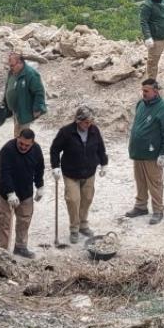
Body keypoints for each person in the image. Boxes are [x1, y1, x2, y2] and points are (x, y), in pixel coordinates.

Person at [49, 104, 109, 244]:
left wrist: (104, 163)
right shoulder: (66, 132)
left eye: (90, 122)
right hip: (71, 173)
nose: (89, 125)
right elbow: (55, 149)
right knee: (73, 200)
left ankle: (83, 224)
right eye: (86, 122)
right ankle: (74, 229)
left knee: (87, 198)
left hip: (89, 172)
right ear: (78, 120)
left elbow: (100, 147)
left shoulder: (94, 130)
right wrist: (55, 166)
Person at [125, 79, 164, 225]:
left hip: (153, 154)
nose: (144, 93)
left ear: (156, 91)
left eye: (146, 91)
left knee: (155, 183)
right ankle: (141, 207)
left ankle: (158, 210)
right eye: (143, 90)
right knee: (140, 181)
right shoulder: (141, 104)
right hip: (138, 152)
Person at [0, 127, 45, 258]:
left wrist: (40, 186)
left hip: (26, 192)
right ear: (17, 138)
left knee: (24, 221)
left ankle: (20, 247)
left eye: (27, 145)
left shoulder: (36, 149)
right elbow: (4, 173)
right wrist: (10, 193)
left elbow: (39, 168)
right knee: (4, 222)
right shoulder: (7, 150)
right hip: (6, 194)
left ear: (32, 143)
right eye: (21, 143)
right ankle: (3, 251)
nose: (23, 147)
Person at [4, 51, 47, 137]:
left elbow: (39, 92)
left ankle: (23, 147)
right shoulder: (12, 72)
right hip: (15, 110)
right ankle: (16, 144)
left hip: (25, 110)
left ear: (20, 63)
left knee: (23, 134)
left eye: (12, 65)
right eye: (10, 65)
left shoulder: (30, 74)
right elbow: (8, 86)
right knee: (17, 131)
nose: (11, 68)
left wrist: (37, 108)